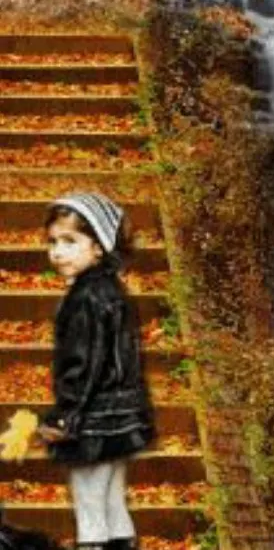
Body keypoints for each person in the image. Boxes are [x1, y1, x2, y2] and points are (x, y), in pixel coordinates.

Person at [38, 192, 154, 550]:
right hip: (123, 414)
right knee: (113, 501)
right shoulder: (114, 292)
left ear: (99, 247)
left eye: (70, 241)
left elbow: (82, 366)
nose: (58, 251)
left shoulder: (86, 299)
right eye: (53, 242)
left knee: (89, 507)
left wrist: (64, 418)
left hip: (94, 419)